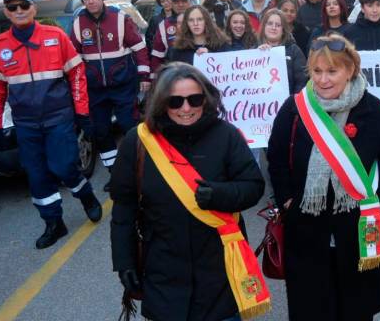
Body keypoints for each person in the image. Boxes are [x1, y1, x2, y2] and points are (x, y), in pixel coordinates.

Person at [266, 34, 380, 320]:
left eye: (332, 71)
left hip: (357, 229)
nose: (323, 80)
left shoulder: (374, 110)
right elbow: (277, 158)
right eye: (317, 71)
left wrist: (378, 204)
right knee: (312, 308)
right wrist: (287, 200)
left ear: (350, 70)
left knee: (355, 309)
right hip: (306, 229)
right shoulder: (294, 109)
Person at [110, 62, 267, 321]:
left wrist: (220, 195)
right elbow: (123, 208)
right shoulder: (137, 142)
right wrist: (124, 262)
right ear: (161, 102)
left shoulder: (226, 135)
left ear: (206, 99)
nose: (186, 108)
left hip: (220, 271)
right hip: (163, 270)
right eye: (175, 102)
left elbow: (253, 185)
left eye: (194, 99)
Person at [0, 0, 101, 248]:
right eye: (13, 7)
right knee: (37, 176)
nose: (19, 10)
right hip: (26, 124)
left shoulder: (55, 36)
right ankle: (54, 223)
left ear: (34, 8)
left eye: (23, 5)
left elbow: (76, 75)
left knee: (64, 167)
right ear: (7, 12)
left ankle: (86, 196)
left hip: (58, 118)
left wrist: (82, 112)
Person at [72, 0, 151, 191]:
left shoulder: (119, 18)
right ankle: (115, 174)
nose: (90, 1)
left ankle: (140, 170)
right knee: (102, 131)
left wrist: (144, 75)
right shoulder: (78, 23)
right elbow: (73, 59)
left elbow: (139, 47)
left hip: (122, 85)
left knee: (130, 127)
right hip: (95, 89)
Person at [258, 9, 308, 93]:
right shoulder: (254, 50)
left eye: (278, 25)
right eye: (270, 24)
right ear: (264, 27)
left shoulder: (294, 51)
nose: (273, 28)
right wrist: (258, 55)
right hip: (260, 104)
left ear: (283, 30)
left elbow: (302, 82)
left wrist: (291, 103)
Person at [166, 6, 231, 65]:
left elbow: (228, 68)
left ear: (206, 21)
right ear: (186, 23)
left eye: (200, 19)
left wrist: (210, 55)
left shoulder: (222, 45)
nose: (195, 23)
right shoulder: (178, 50)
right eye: (191, 20)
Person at [151, 0, 190, 75]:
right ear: (171, 3)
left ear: (188, 2)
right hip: (174, 75)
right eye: (176, 2)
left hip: (198, 75)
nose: (180, 4)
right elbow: (157, 57)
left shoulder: (199, 20)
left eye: (183, 1)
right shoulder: (164, 25)